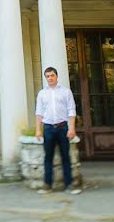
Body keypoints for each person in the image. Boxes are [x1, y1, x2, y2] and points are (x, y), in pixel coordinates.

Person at [35, 66, 82, 195]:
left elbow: (71, 110)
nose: (50, 78)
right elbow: (39, 113)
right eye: (48, 76)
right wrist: (38, 130)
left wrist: (71, 128)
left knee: (65, 157)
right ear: (46, 78)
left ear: (56, 76)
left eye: (52, 75)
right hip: (48, 128)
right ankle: (47, 184)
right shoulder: (42, 94)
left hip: (62, 128)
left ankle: (69, 185)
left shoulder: (66, 92)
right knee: (48, 157)